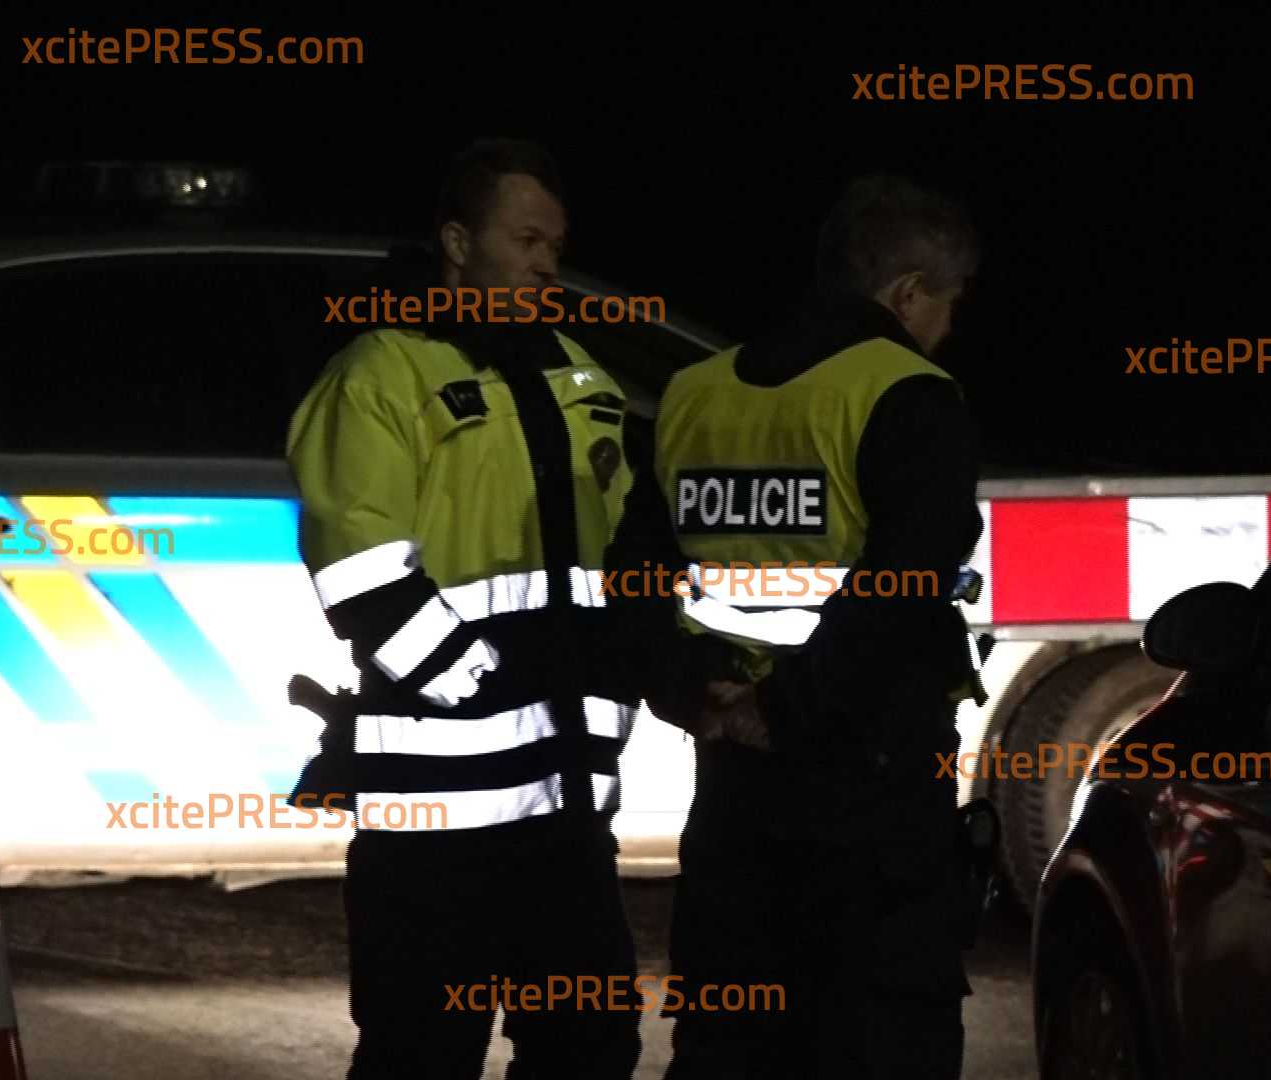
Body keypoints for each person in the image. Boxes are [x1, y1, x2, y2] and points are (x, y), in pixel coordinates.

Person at [286, 137, 732, 1079]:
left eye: (555, 246)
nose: (546, 264)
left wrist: (659, 666)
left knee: (590, 1046)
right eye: (526, 241)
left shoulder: (580, 377)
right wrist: (491, 682)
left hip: (565, 807)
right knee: (420, 1056)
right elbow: (361, 569)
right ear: (458, 242)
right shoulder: (380, 374)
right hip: (429, 823)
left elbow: (626, 561)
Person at [654, 173, 986, 1079]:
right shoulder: (912, 392)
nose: (947, 325)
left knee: (730, 1043)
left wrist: (691, 691)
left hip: (731, 794)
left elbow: (634, 574)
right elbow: (900, 593)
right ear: (908, 293)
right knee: (880, 1042)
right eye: (949, 302)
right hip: (869, 801)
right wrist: (785, 710)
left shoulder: (694, 391)